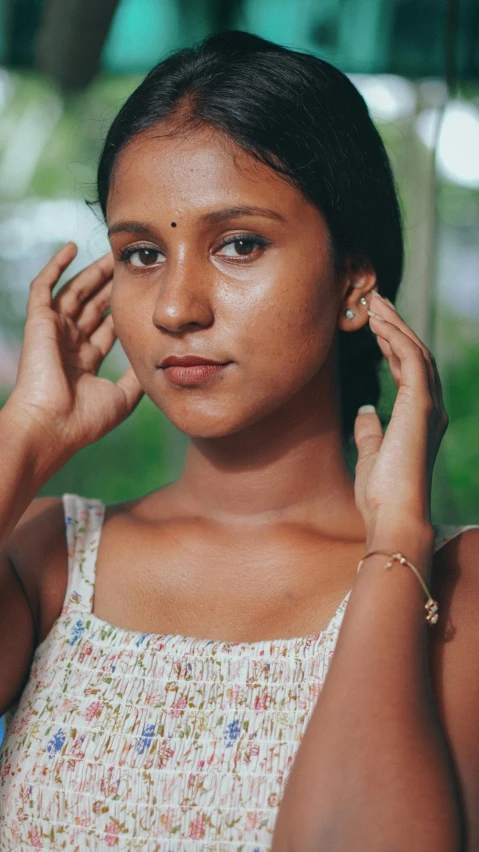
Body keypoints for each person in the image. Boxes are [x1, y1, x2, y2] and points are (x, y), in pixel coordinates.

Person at [0, 29, 478, 852]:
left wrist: (394, 544)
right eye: (142, 253)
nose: (176, 307)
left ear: (352, 284)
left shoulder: (456, 590)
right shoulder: (50, 555)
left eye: (239, 244)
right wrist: (22, 437)